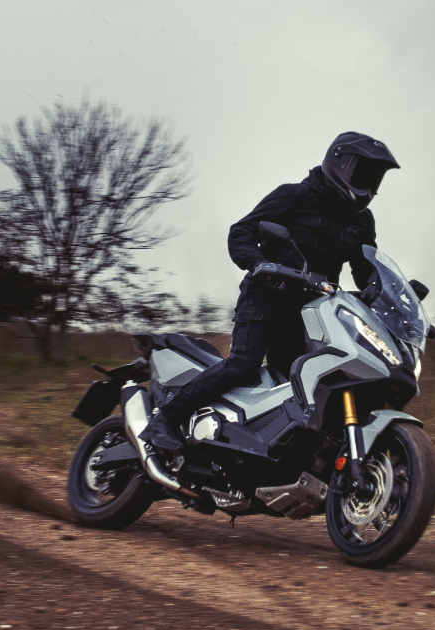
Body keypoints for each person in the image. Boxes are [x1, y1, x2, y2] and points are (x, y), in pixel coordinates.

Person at [139, 131, 400, 452]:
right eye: (363, 175)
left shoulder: (361, 221)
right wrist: (260, 263)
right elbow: (242, 232)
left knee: (298, 384)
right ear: (340, 165)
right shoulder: (294, 196)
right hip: (267, 295)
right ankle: (165, 420)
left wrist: (390, 293)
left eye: (375, 179)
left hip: (312, 311)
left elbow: (365, 271)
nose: (369, 187)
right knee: (244, 364)